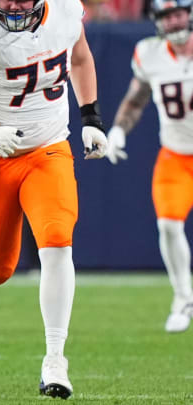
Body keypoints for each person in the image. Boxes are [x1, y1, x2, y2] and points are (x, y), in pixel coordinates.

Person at [0, 0, 107, 400]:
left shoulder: (64, 13)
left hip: (48, 148)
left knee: (57, 241)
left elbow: (79, 59)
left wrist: (92, 118)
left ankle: (55, 359)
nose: (13, 4)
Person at [106, 0, 193, 333]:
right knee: (169, 225)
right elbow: (136, 97)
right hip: (176, 155)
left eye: (178, 14)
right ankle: (183, 298)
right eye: (166, 16)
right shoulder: (149, 53)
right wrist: (117, 129)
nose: (173, 22)